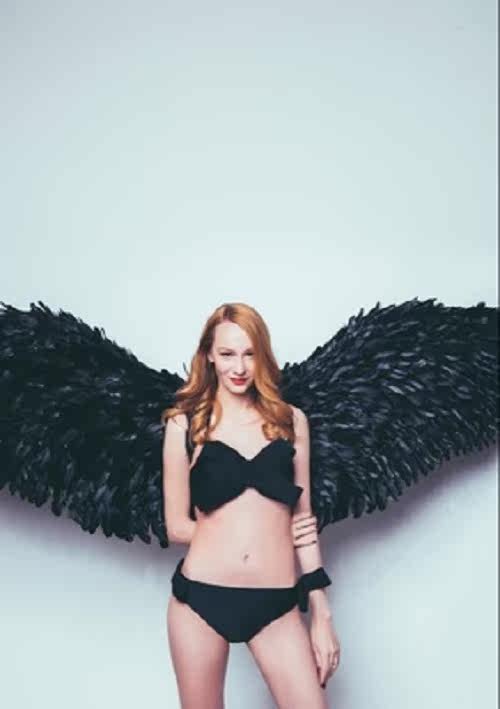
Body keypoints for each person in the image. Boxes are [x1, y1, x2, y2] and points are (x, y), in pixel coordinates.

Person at [161, 302, 341, 708]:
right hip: (199, 600)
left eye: (250, 354)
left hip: (276, 601)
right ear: (209, 355)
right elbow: (176, 526)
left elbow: (303, 520)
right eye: (227, 354)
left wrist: (321, 611)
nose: (239, 367)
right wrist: (243, 535)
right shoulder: (185, 424)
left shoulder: (290, 421)